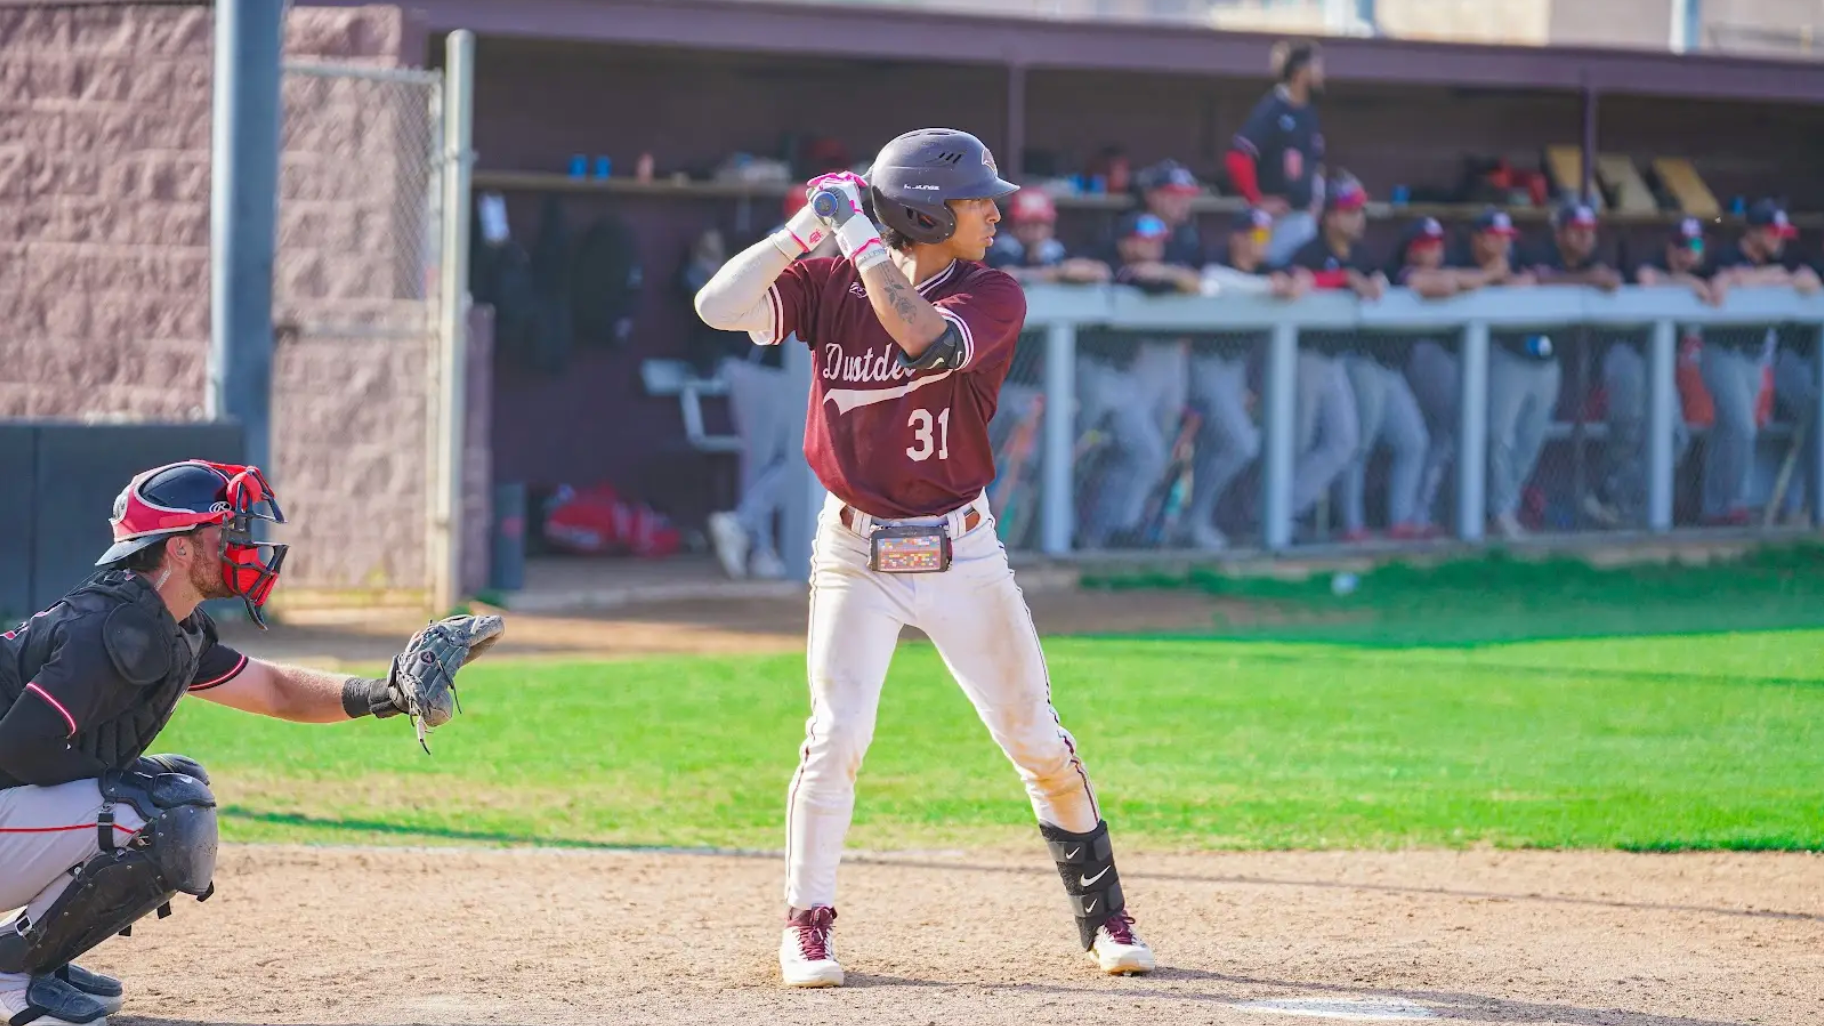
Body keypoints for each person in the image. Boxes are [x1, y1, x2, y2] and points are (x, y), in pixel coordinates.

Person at [691, 128, 1154, 988]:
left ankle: (1107, 919)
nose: (993, 211)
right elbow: (717, 307)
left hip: (963, 549)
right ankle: (807, 926)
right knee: (835, 737)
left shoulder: (992, 290)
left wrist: (860, 233)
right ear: (925, 210)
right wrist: (806, 229)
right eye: (976, 199)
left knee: (1037, 739)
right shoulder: (829, 279)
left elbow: (924, 341)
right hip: (854, 550)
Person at [0, 461, 501, 1026]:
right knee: (159, 812)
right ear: (181, 550)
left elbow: (276, 690)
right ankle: (12, 978)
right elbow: (18, 747)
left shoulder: (165, 623)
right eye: (227, 531)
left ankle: (36, 959)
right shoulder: (114, 629)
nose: (246, 544)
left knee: (171, 788)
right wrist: (119, 779)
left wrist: (386, 694)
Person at [704, 193, 833, 580]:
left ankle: (748, 536)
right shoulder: (781, 241)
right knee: (766, 461)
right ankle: (753, 543)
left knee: (795, 459)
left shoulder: (827, 244)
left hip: (786, 373)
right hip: (757, 369)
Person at [1181, 207, 1307, 549]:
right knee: (1240, 443)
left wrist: (1294, 282)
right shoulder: (1217, 261)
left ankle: (1198, 521)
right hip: (1205, 364)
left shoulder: (1272, 269)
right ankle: (1193, 521)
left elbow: (1300, 281)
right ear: (1237, 237)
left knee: (1228, 445)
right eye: (1255, 235)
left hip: (1237, 370)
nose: (1261, 243)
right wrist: (1269, 286)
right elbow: (1214, 280)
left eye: (1266, 235)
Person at [1401, 208, 1533, 534]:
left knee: (1445, 437)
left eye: (1436, 244)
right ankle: (1420, 516)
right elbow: (1442, 284)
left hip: (1458, 359)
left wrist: (1495, 277)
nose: (1433, 251)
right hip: (1425, 355)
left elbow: (1526, 284)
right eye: (1425, 244)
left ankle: (1436, 515)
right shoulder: (1403, 268)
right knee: (1446, 432)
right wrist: (1488, 277)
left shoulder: (1472, 261)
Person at [1077, 211, 1199, 549]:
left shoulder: (1158, 270)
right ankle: (1047, 536)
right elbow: (1141, 277)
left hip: (1120, 377)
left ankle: (1108, 534)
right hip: (1081, 370)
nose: (1149, 250)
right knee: (1061, 456)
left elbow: (1191, 283)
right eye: (1141, 241)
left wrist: (1167, 272)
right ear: (1124, 241)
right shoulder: (1112, 264)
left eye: (1156, 243)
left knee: (1145, 453)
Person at [1584, 217, 1712, 528]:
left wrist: (1698, 282)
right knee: (1627, 434)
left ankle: (1612, 497)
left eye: (1695, 246)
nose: (1688, 253)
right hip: (1628, 356)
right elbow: (1646, 279)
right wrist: (1692, 284)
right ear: (1670, 248)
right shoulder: (1653, 264)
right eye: (1683, 245)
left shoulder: (1705, 273)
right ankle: (1607, 500)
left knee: (1675, 440)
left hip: (1659, 365)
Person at [1701, 200, 1822, 524]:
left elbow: (1809, 280)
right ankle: (1734, 504)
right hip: (1721, 352)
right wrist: (1768, 277)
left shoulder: (1779, 259)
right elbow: (1720, 284)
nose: (1779, 240)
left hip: (1754, 358)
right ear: (1753, 232)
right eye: (1772, 233)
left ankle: (1715, 508)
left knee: (1728, 429)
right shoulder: (1726, 255)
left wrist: (1766, 276)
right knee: (1742, 427)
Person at [1279, 173, 1382, 534]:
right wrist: (1344, 280)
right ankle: (1271, 515)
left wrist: (1376, 282)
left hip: (1335, 361)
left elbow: (1382, 281)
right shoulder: (1309, 251)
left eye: (1360, 211)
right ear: (1331, 216)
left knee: (1343, 441)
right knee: (1294, 442)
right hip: (1301, 358)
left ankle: (1283, 510)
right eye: (1351, 211)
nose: (1359, 219)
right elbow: (1293, 280)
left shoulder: (1362, 255)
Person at [1228, 40, 1326, 266]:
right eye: (1318, 66)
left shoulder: (1309, 113)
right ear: (1301, 71)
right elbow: (1238, 157)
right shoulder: (1273, 107)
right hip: (1270, 220)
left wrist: (1316, 203)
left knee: (1299, 281)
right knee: (1265, 272)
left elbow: (1316, 164)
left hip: (1303, 217)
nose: (1322, 74)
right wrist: (1256, 200)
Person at [985, 188, 1112, 285]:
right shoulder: (1005, 246)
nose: (1035, 231)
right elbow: (1007, 275)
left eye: (1041, 224)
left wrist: (1071, 271)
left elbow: (1101, 271)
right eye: (1027, 224)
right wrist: (1058, 274)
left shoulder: (1052, 248)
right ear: (1013, 225)